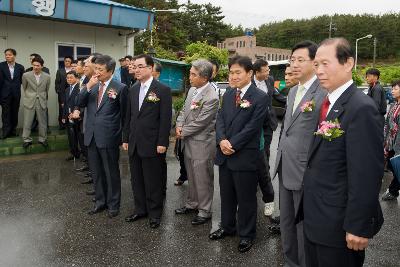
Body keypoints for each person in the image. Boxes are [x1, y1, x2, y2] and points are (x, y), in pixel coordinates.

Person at [302, 37, 384, 267]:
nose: (318, 70)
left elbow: (367, 174)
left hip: (339, 228)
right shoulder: (326, 103)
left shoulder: (361, 108)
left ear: (348, 63)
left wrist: (358, 226)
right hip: (317, 219)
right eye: (316, 64)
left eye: (325, 63)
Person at [272, 40, 326, 267]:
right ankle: (290, 261)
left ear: (315, 63)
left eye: (300, 60)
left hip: (306, 171)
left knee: (304, 226)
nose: (294, 64)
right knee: (286, 222)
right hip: (285, 166)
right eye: (292, 59)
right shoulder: (293, 91)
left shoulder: (323, 92)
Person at [209, 56, 268, 253]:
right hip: (225, 154)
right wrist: (221, 140)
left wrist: (232, 143)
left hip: (244, 155)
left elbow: (253, 127)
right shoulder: (227, 93)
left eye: (237, 73)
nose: (232, 76)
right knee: (226, 196)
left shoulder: (259, 96)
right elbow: (220, 119)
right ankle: (228, 227)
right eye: (231, 72)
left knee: (246, 199)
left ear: (249, 73)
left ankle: (247, 234)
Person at [74, 54, 127, 219]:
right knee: (96, 172)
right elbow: (79, 102)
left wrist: (122, 138)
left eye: (100, 70)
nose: (96, 72)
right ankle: (100, 202)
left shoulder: (120, 88)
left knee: (111, 173)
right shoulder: (92, 84)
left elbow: (124, 116)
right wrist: (88, 86)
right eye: (95, 68)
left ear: (110, 71)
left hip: (109, 136)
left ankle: (113, 204)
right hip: (91, 135)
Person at [122, 54, 172, 229]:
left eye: (140, 66)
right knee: (137, 179)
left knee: (153, 181)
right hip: (135, 141)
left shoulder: (163, 90)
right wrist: (126, 137)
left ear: (150, 68)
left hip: (152, 143)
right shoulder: (133, 89)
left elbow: (165, 120)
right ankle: (140, 209)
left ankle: (155, 213)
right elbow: (129, 116)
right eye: (134, 66)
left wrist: (162, 142)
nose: (136, 69)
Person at [174, 59, 219, 226]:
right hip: (188, 141)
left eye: (193, 74)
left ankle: (205, 210)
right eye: (190, 73)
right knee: (192, 175)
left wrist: (182, 132)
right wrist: (178, 125)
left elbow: (202, 121)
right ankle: (192, 203)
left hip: (202, 143)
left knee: (203, 178)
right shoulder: (193, 90)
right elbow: (183, 111)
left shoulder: (212, 96)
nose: (190, 77)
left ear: (205, 77)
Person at [252, 59, 287, 217]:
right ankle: (255, 180)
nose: (268, 73)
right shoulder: (249, 83)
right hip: (252, 126)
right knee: (251, 157)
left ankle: (266, 190)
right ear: (257, 72)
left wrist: (293, 101)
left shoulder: (270, 80)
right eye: (266, 71)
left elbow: (277, 96)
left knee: (264, 154)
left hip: (267, 125)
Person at [269, 63, 300, 235]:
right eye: (285, 74)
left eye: (290, 74)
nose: (286, 77)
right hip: (283, 150)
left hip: (296, 155)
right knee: (284, 188)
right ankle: (285, 217)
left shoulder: (305, 97)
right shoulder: (290, 93)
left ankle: (289, 224)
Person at [21, 56, 50, 148]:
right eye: (34, 65)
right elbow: (24, 87)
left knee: (42, 122)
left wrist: (41, 96)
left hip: (41, 100)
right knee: (27, 121)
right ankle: (26, 139)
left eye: (38, 65)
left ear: (42, 66)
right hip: (29, 100)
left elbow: (46, 89)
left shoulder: (47, 76)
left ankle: (42, 139)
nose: (36, 67)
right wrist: (30, 95)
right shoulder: (26, 75)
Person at [381, 80, 400, 201]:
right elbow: (387, 123)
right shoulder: (394, 105)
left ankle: (393, 191)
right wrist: (384, 140)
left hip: (398, 144)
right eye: (392, 88)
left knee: (396, 167)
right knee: (393, 167)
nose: (392, 91)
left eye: (395, 88)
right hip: (391, 142)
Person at [0, 48, 25, 139]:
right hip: (4, 94)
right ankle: (5, 132)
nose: (7, 56)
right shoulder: (1, 66)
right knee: (6, 113)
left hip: (16, 94)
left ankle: (13, 130)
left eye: (9, 55)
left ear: (14, 56)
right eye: (6, 55)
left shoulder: (20, 67)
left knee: (14, 112)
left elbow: (23, 81)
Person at [63, 71, 80, 161]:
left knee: (78, 135)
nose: (69, 79)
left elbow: (80, 103)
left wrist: (74, 112)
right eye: (67, 78)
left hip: (76, 115)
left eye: (71, 77)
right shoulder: (67, 90)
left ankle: (82, 153)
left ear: (76, 78)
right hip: (68, 116)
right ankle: (74, 153)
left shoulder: (79, 88)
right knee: (71, 136)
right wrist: (63, 116)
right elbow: (65, 104)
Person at [55, 56, 73, 130]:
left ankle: (70, 123)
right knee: (62, 109)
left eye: (69, 61)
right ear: (64, 62)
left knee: (71, 108)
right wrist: (58, 91)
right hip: (62, 94)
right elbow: (57, 83)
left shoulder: (73, 70)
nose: (67, 62)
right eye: (66, 61)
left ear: (71, 62)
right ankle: (62, 125)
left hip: (72, 92)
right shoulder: (60, 71)